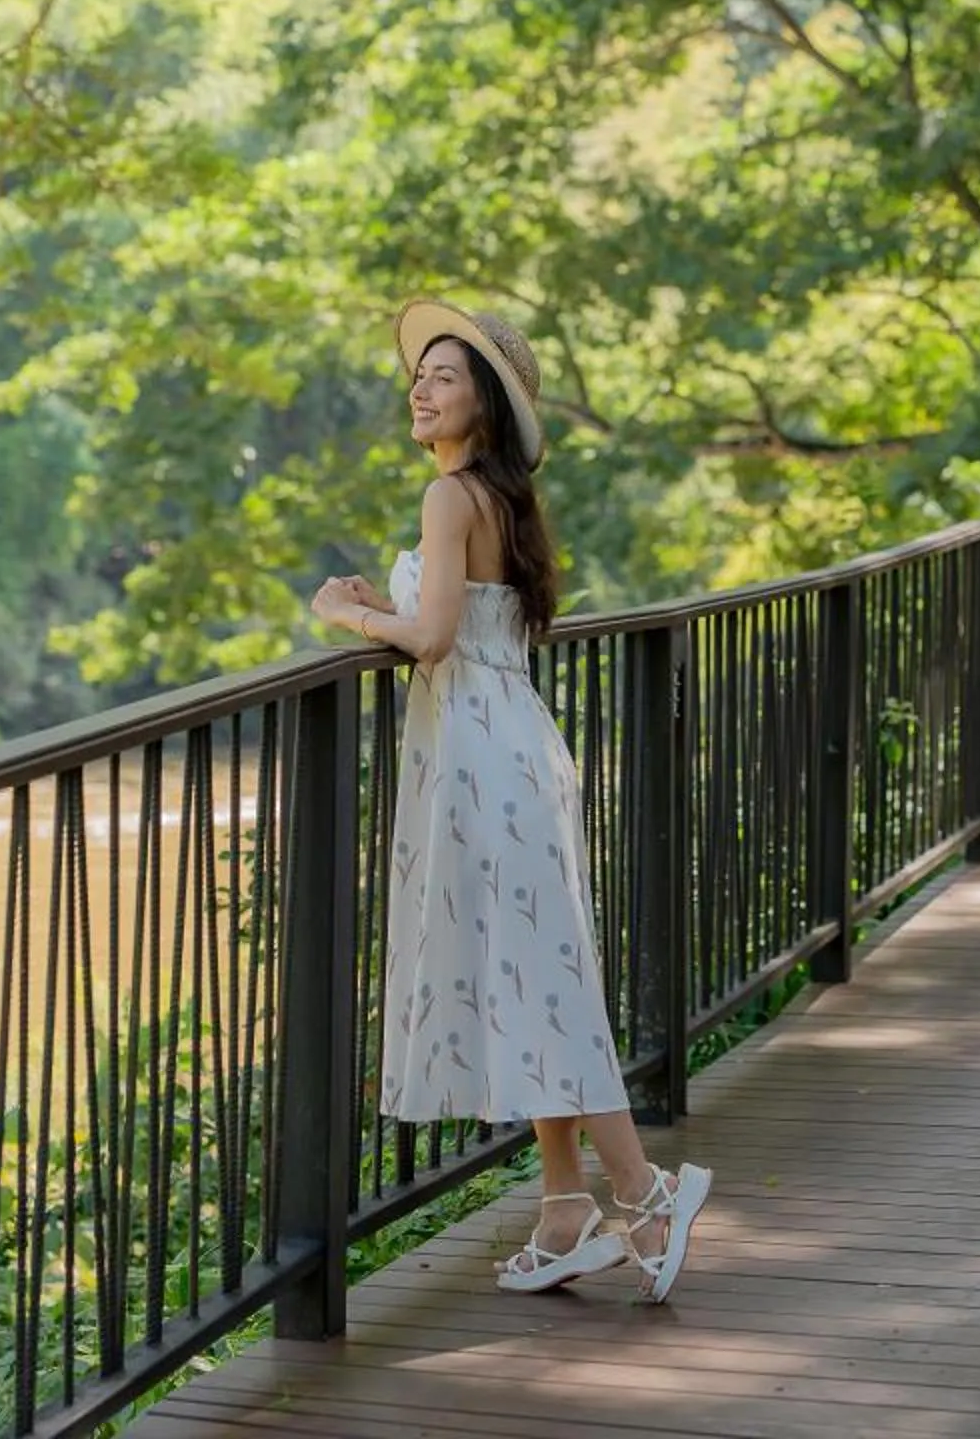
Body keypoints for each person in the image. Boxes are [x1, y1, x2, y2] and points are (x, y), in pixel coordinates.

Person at [309, 301, 712, 1302]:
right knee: (533, 973)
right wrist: (391, 608)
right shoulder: (497, 497)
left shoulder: (450, 496)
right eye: (419, 374)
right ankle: (566, 1202)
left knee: (545, 988)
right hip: (514, 745)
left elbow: (436, 638)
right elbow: (466, 624)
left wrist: (344, 611)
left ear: (481, 400)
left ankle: (647, 1191)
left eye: (443, 375)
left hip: (484, 760)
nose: (420, 387)